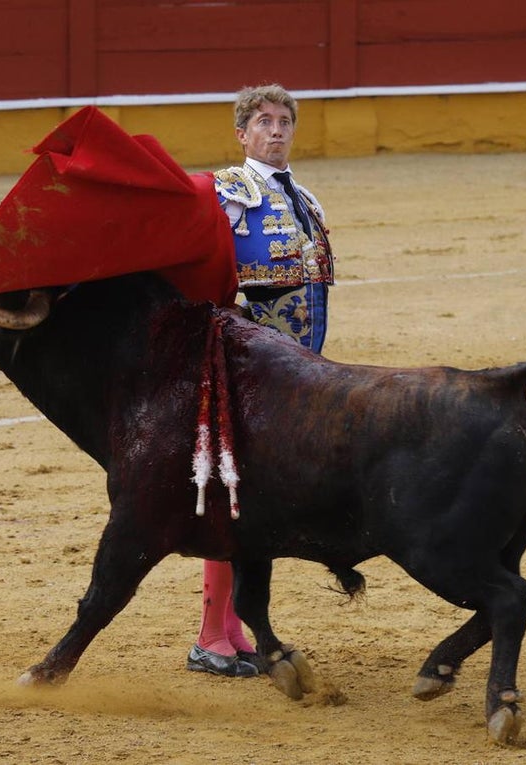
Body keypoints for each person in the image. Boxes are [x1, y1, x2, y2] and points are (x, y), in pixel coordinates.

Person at [186, 84, 336, 677]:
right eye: (263, 122)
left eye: (283, 122)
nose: (276, 131)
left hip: (291, 371)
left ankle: (232, 627)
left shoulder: (306, 199)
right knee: (231, 499)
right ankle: (208, 635)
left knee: (250, 503)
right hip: (241, 370)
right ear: (242, 134)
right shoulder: (226, 192)